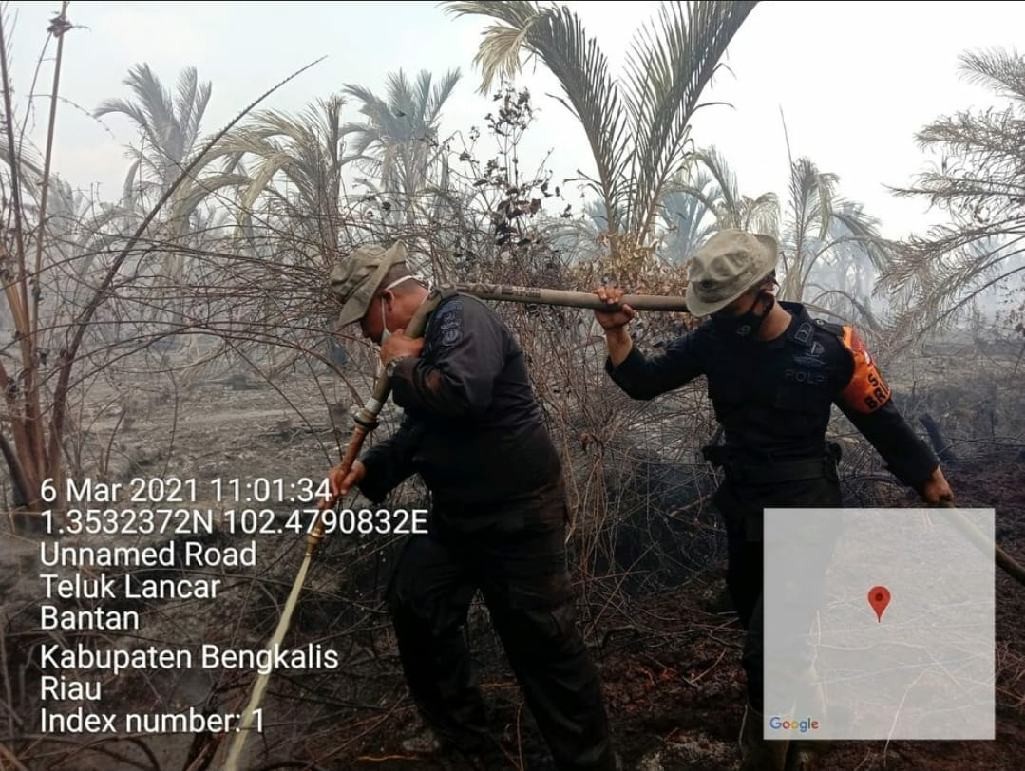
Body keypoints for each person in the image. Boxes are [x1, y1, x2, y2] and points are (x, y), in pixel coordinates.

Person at [593, 230, 953, 770]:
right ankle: (812, 725)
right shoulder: (714, 341)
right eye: (713, 307)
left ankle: (766, 757)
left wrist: (927, 475)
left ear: (766, 290)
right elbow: (643, 382)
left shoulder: (831, 349)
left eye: (728, 305)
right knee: (760, 623)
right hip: (745, 504)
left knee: (769, 650)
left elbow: (881, 419)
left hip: (806, 507)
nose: (720, 316)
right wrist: (617, 332)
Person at [326, 242, 617, 771]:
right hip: (459, 516)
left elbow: (462, 395)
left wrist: (401, 365)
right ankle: (470, 746)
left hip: (519, 514)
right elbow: (422, 430)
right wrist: (368, 468)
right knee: (416, 601)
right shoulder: (420, 340)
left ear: (386, 300)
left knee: (543, 646)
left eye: (364, 321)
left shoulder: (460, 316)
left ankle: (589, 763)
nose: (366, 335)